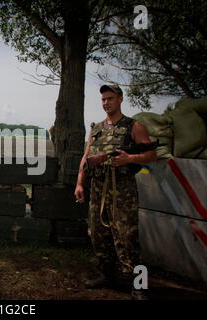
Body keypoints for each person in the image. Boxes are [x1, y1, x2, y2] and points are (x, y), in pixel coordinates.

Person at [74, 84, 157, 300]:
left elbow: (151, 156)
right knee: (98, 235)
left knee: (128, 236)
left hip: (123, 188)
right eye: (103, 99)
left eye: (110, 98)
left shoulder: (134, 126)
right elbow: (86, 158)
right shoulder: (96, 128)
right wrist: (80, 184)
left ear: (120, 99)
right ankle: (107, 275)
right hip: (98, 187)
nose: (106, 103)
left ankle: (140, 285)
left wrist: (130, 159)